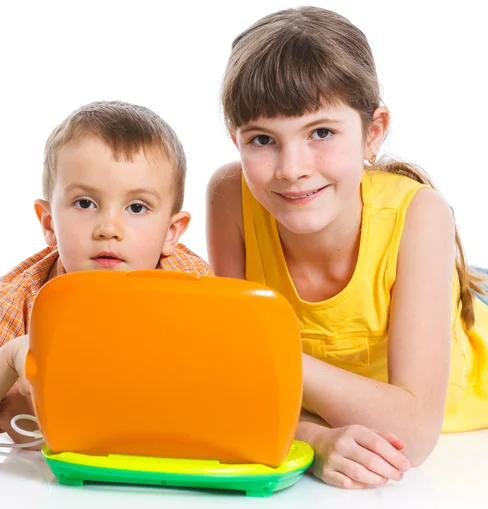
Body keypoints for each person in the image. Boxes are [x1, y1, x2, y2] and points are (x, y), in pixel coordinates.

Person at [206, 6, 488, 489]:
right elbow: (237, 390)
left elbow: (414, 433)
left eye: (321, 132)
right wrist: (312, 440)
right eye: (262, 139)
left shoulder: (420, 216)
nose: (291, 168)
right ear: (235, 139)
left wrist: (270, 355)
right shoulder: (230, 197)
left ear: (372, 132)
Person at [0, 100, 212, 444]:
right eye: (85, 203)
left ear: (171, 231)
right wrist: (9, 358)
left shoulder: (196, 290)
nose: (108, 227)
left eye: (136, 207)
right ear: (49, 223)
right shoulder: (21, 294)